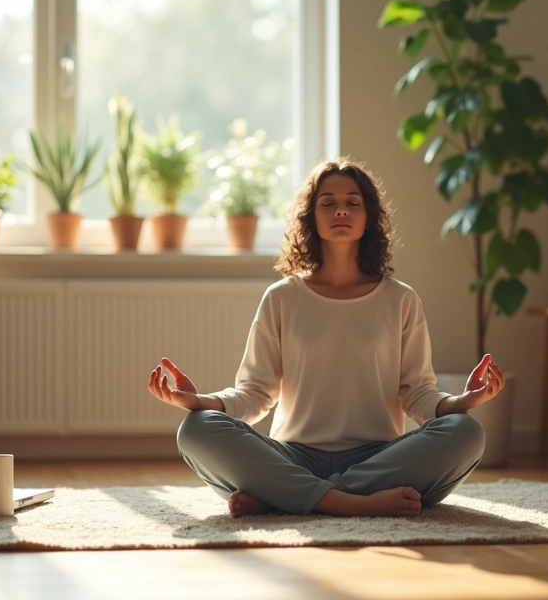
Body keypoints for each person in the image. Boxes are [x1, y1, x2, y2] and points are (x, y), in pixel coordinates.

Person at [145, 159, 506, 518]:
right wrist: (201, 400)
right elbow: (254, 393)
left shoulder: (400, 299)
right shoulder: (282, 297)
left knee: (466, 432)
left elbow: (417, 393)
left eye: (353, 202)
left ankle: (283, 498)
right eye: (327, 202)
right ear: (310, 217)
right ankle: (349, 502)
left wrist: (461, 402)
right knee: (197, 428)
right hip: (291, 457)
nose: (341, 211)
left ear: (369, 218)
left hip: (378, 458)